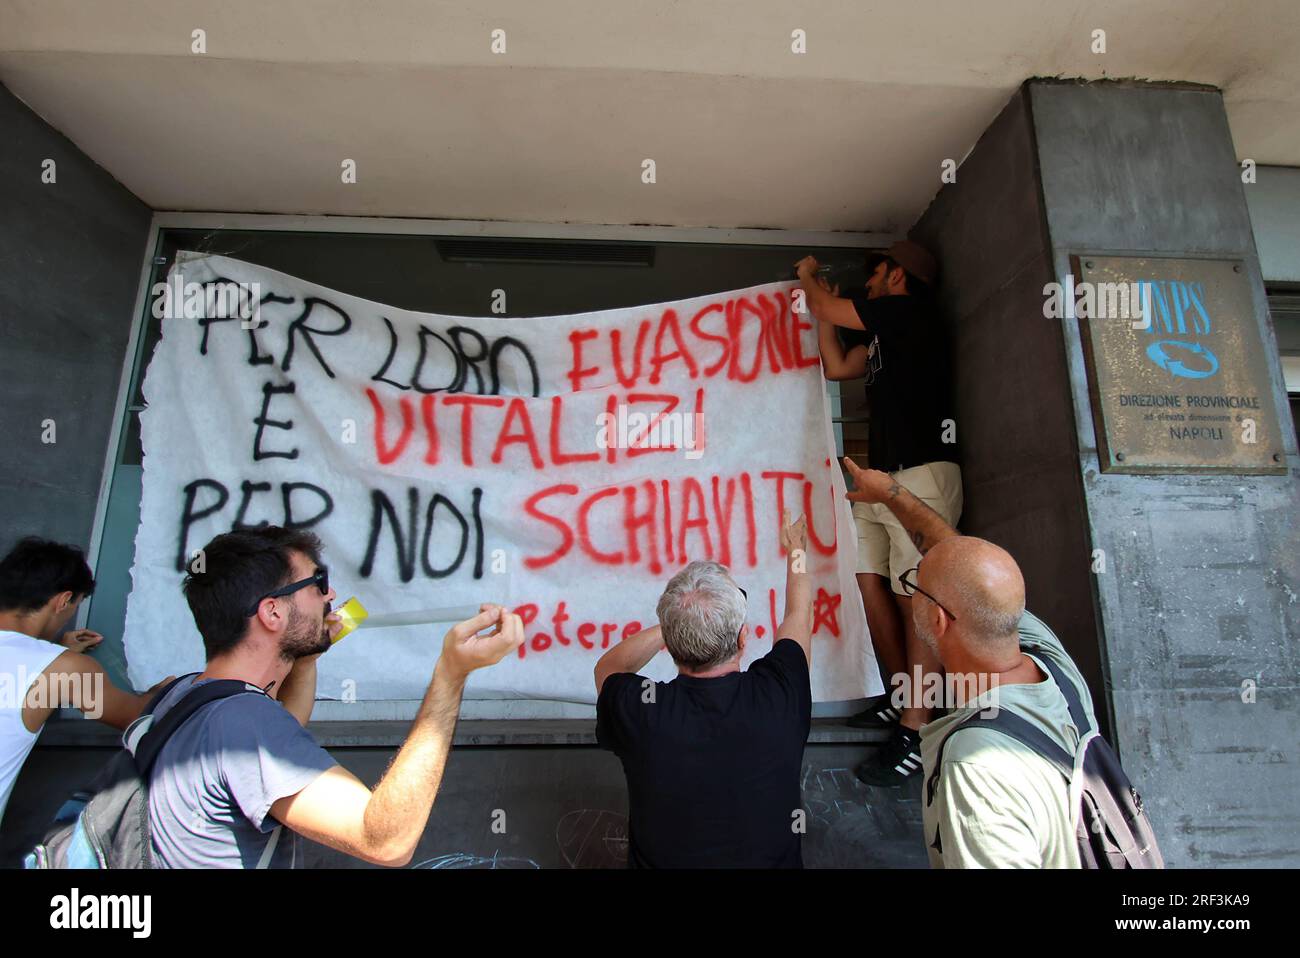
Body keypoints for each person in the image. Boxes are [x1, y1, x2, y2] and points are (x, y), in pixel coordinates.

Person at [148, 525, 523, 868]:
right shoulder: (246, 725)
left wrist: (306, 661)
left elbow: (273, 751)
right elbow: (386, 842)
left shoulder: (186, 695)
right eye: (316, 583)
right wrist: (451, 675)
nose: (330, 595)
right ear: (272, 612)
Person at [842, 457, 1095, 867]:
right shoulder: (1041, 648)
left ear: (937, 619)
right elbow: (956, 558)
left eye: (914, 588)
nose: (908, 595)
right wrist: (891, 493)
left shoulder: (975, 765)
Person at [796, 241, 962, 786]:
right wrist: (824, 306)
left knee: (917, 594)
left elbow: (823, 308)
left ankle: (917, 727)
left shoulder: (909, 312)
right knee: (869, 580)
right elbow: (837, 364)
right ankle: (901, 696)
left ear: (897, 276)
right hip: (880, 479)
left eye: (873, 277)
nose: (868, 286)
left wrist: (808, 279)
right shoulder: (885, 332)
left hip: (919, 475)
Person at [593, 511, 811, 868]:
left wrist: (680, 621)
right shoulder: (780, 693)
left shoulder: (642, 711)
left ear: (672, 643)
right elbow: (798, 614)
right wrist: (796, 549)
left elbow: (610, 666)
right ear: (743, 639)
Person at [0, 537, 171, 826]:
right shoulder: (64, 671)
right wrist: (161, 691)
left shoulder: (56, 667)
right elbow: (136, 716)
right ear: (63, 600)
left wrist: (55, 651)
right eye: (74, 606)